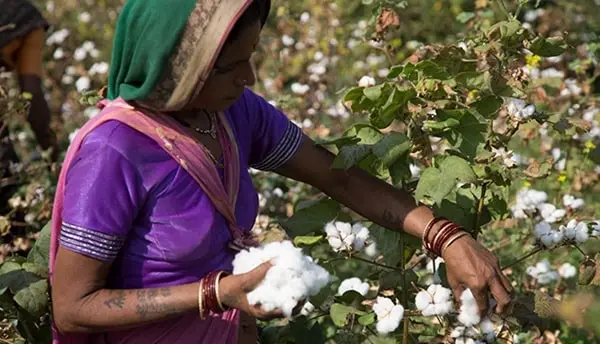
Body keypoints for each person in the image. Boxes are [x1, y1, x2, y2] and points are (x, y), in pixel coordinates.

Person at [49, 0, 513, 343]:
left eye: (251, 58)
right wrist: (217, 294)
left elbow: (338, 176)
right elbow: (73, 309)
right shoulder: (115, 152)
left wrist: (447, 237)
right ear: (176, 70)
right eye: (229, 67)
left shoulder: (234, 114)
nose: (248, 78)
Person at [0, 0, 59, 164]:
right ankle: (52, 157)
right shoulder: (26, 16)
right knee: (31, 89)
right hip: (25, 18)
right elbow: (31, 92)